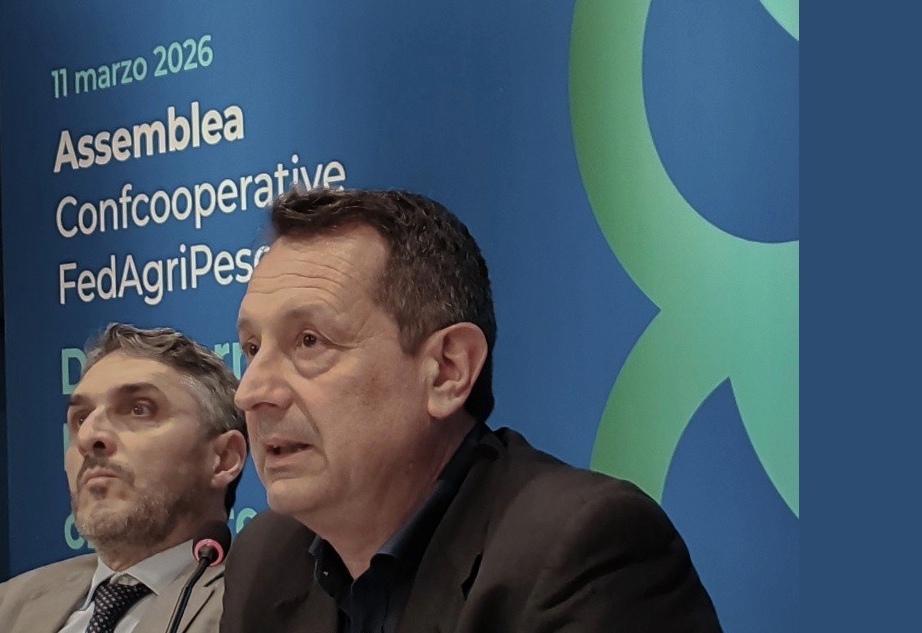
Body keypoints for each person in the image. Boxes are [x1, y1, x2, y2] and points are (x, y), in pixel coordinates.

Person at [221, 188, 722, 632]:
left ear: (447, 370)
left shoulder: (583, 552)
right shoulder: (266, 560)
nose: (250, 393)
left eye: (309, 341)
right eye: (252, 349)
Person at [0, 324, 248, 633]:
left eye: (139, 409)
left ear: (224, 458)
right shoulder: (6, 608)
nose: (88, 436)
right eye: (80, 418)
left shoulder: (256, 607)